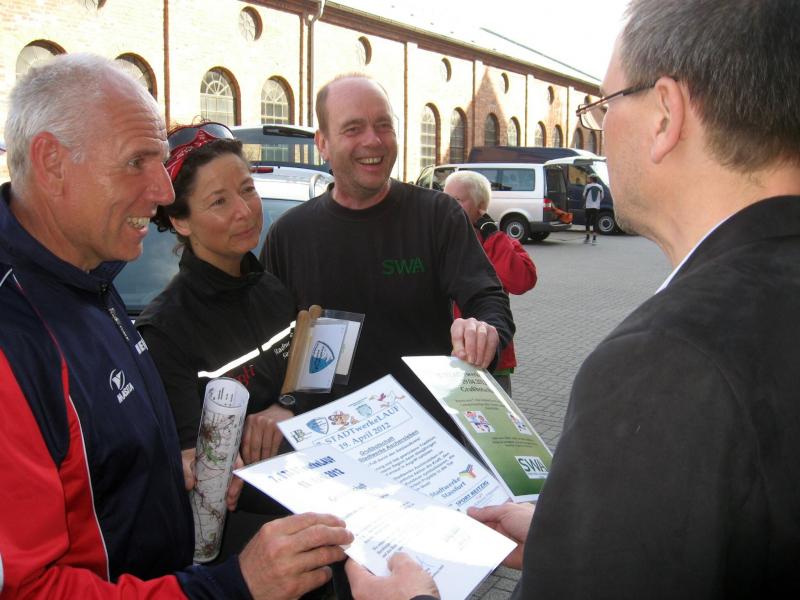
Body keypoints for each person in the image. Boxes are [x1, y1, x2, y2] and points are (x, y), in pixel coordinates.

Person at [347, 0, 800, 596]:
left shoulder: (663, 362)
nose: (600, 129)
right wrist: (574, 534)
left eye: (605, 105)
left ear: (665, 114)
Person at [0, 53, 351, 599]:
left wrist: (176, 467)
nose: (163, 192)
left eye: (160, 163)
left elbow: (106, 472)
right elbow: (28, 590)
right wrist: (232, 586)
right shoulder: (19, 336)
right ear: (52, 161)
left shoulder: (91, 282)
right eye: (137, 161)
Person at [262, 74, 514, 436]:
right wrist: (277, 401)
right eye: (353, 128)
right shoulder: (290, 234)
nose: (373, 140)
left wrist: (484, 330)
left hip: (426, 436)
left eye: (384, 125)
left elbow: (488, 298)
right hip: (328, 438)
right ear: (323, 143)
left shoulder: (437, 216)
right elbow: (268, 340)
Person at [134, 123, 300, 559]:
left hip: (311, 505)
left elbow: (308, 384)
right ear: (179, 220)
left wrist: (287, 406)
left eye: (247, 190)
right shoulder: (165, 332)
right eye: (219, 201)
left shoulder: (274, 291)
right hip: (244, 550)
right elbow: (197, 475)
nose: (245, 211)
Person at [443, 169, 537, 397]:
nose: (448, 206)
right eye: (445, 199)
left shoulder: (501, 243)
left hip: (490, 356)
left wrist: (493, 237)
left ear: (481, 207)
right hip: (448, 354)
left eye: (457, 200)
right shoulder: (440, 240)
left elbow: (522, 281)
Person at [582, 174, 603, 244]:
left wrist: (587, 201)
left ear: (591, 179)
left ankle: (587, 238)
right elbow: (602, 197)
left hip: (588, 206)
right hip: (596, 207)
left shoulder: (588, 186)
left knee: (587, 222)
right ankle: (594, 239)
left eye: (589, 178)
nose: (589, 180)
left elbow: (584, 196)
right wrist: (597, 202)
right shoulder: (600, 187)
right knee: (595, 222)